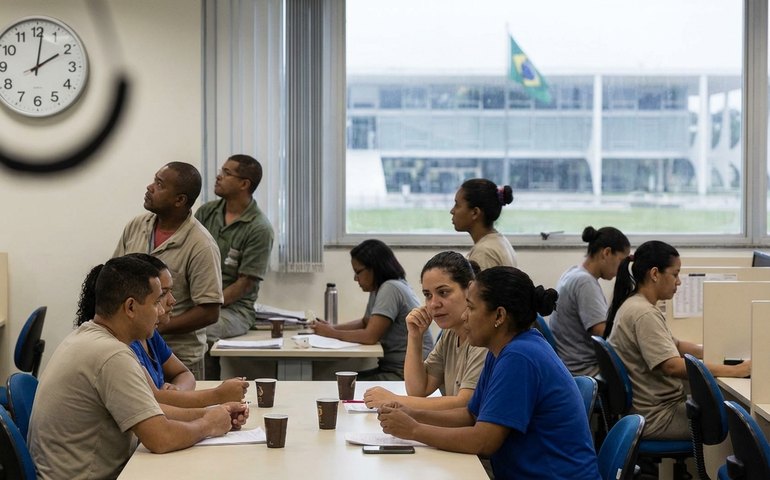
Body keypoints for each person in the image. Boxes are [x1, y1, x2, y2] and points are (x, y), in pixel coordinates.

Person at [29, 256, 247, 480]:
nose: (161, 312)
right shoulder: (111, 355)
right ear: (131, 307)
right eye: (155, 303)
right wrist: (207, 425)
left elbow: (151, 411)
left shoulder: (87, 336)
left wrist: (211, 414)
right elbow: (161, 438)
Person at [377, 266, 599, 480]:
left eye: (471, 308)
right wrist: (411, 412)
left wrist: (415, 430)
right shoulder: (501, 350)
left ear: (499, 316)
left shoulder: (520, 356)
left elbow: (483, 442)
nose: (465, 317)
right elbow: (471, 416)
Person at [606, 240, 751, 440]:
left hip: (650, 409)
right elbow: (672, 366)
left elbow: (677, 346)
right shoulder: (643, 313)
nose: (679, 281)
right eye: (675, 274)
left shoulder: (636, 304)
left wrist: (715, 349)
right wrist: (735, 371)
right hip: (657, 417)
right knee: (740, 423)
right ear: (655, 274)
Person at [76, 254, 248, 408]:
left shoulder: (148, 334)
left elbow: (183, 374)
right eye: (160, 296)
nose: (171, 301)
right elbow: (155, 402)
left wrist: (177, 390)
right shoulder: (120, 348)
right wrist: (217, 399)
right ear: (131, 305)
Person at [114, 161, 223, 379]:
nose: (150, 187)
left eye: (160, 185)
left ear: (179, 200)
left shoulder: (201, 245)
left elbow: (210, 311)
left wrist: (154, 326)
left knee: (179, 412)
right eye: (154, 180)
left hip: (178, 358)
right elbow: (114, 278)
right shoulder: (136, 226)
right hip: (131, 350)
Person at [363, 252, 486, 409]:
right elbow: (418, 390)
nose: (433, 303)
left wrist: (394, 400)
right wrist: (415, 336)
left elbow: (464, 403)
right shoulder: (450, 333)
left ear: (469, 289)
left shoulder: (482, 337)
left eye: (443, 292)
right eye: (428, 295)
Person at [195, 154, 275, 381]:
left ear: (244, 184)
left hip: (234, 309)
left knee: (200, 330)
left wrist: (206, 307)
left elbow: (244, 284)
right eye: (222, 170)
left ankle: (206, 393)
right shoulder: (206, 212)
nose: (219, 176)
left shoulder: (259, 228)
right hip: (199, 300)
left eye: (227, 173)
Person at [312, 239, 433, 380]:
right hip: (394, 368)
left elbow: (370, 336)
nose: (355, 278)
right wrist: (332, 327)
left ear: (375, 268)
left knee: (340, 385)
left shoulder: (391, 288)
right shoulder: (379, 288)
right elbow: (365, 322)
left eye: (358, 272)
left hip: (406, 374)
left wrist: (331, 333)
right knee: (340, 382)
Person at [549, 226, 630, 376]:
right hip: (583, 369)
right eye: (621, 261)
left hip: (568, 361)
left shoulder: (572, 272)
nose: (622, 269)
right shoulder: (585, 282)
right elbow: (602, 333)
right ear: (606, 253)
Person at [450, 178, 517, 270]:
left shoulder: (484, 253)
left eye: (457, 205)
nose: (452, 211)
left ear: (475, 213)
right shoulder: (499, 240)